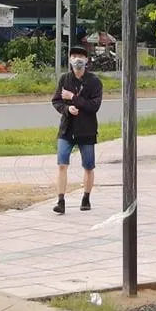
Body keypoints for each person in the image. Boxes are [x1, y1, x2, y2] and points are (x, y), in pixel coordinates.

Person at [51, 46, 103, 215]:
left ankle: (86, 198)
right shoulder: (64, 79)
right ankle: (60, 200)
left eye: (81, 56)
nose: (77, 59)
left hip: (87, 130)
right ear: (70, 59)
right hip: (67, 129)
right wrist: (67, 109)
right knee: (62, 164)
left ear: (86, 60)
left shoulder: (94, 82)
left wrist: (73, 98)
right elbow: (56, 101)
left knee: (88, 166)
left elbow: (94, 106)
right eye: (74, 56)